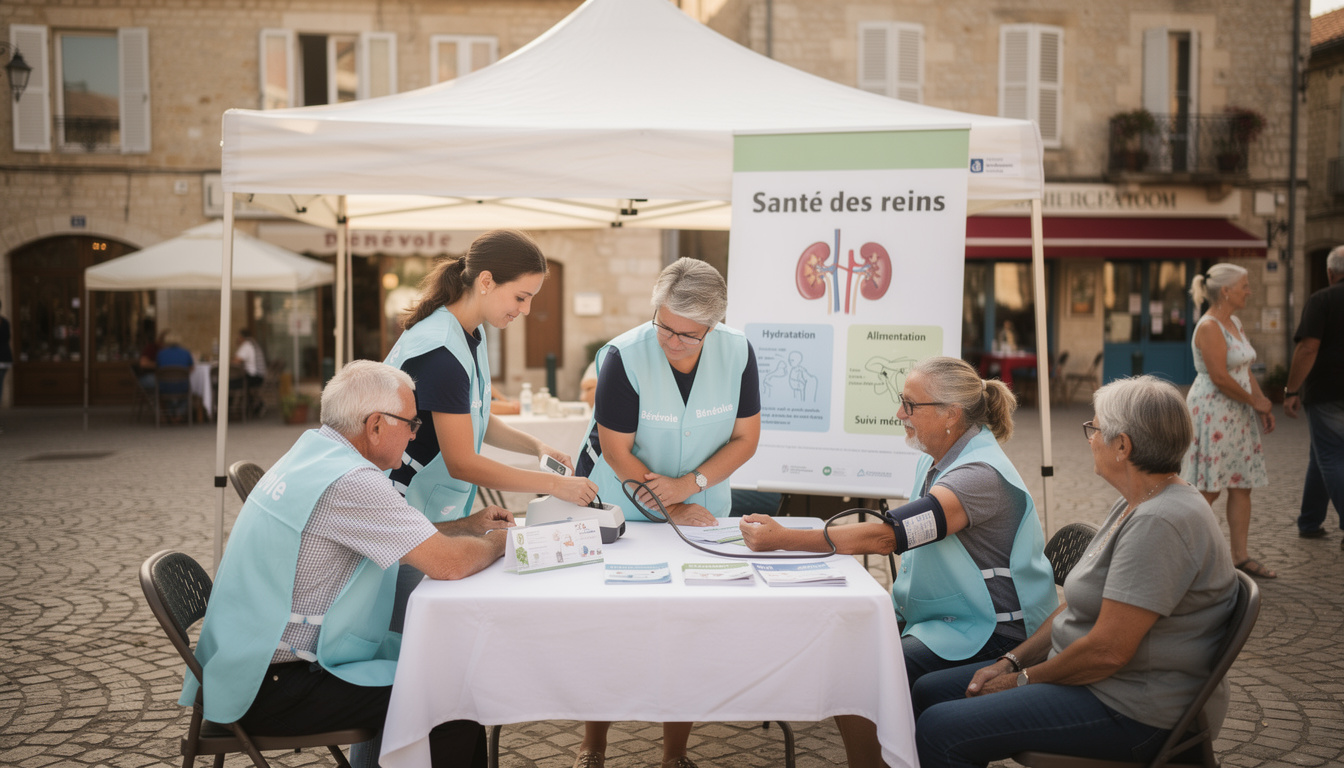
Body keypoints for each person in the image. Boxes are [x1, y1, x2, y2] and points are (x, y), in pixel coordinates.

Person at [178, 360, 513, 768]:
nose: (414, 434)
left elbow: (394, 531)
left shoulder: (314, 453)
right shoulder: (352, 481)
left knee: (435, 672)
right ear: (375, 425)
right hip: (270, 689)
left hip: (237, 665)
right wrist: (501, 541)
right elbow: (448, 564)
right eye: (411, 424)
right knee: (454, 699)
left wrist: (467, 526)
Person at [911, 375, 1238, 768]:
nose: (1089, 439)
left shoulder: (1162, 521)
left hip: (1132, 708)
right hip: (1100, 683)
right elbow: (1076, 610)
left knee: (940, 729)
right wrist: (1010, 663)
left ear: (1123, 446)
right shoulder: (1138, 502)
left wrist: (1022, 681)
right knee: (929, 690)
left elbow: (1107, 652)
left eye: (1094, 428)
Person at [571, 258, 762, 768]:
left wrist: (690, 487)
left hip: (699, 508)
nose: (672, 342)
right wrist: (670, 504)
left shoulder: (739, 351)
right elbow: (616, 451)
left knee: (687, 631)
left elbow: (746, 439)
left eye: (688, 335)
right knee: (611, 630)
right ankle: (593, 744)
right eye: (664, 326)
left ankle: (673, 753)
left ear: (713, 327)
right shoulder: (623, 356)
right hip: (623, 511)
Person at [384, 230, 597, 640]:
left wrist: (534, 446)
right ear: (485, 282)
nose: (528, 310)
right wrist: (556, 484)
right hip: (403, 512)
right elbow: (462, 461)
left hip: (428, 516)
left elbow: (474, 415)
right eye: (520, 297)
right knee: (408, 640)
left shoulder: (469, 332)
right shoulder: (440, 351)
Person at [1181, 264, 1276, 578]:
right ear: (1226, 291)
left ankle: (1240, 557)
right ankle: (1185, 557)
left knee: (1241, 485)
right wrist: (1256, 401)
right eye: (1245, 286)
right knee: (1208, 488)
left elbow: (1244, 369)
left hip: (1237, 413)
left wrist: (1261, 404)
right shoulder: (1209, 326)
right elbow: (1220, 377)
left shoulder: (1234, 321)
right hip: (1213, 412)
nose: (1249, 291)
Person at [1284, 246, 1344, 545]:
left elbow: (1308, 348)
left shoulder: (1322, 299)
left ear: (1331, 272)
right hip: (1330, 393)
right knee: (1320, 454)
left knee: (1330, 454)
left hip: (1327, 391)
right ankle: (1310, 520)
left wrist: (1292, 389)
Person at [154, 331, 195, 420]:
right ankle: (179, 414)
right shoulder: (186, 352)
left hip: (165, 386)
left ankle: (171, 414)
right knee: (188, 392)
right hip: (182, 385)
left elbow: (158, 368)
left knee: (165, 392)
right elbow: (191, 368)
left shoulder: (161, 353)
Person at [233, 327, 267, 415]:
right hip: (260, 376)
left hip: (254, 377)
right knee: (238, 382)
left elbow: (236, 361)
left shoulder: (247, 345)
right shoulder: (253, 343)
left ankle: (233, 409)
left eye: (239, 337)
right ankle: (255, 406)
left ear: (241, 337)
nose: (238, 339)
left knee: (228, 384)